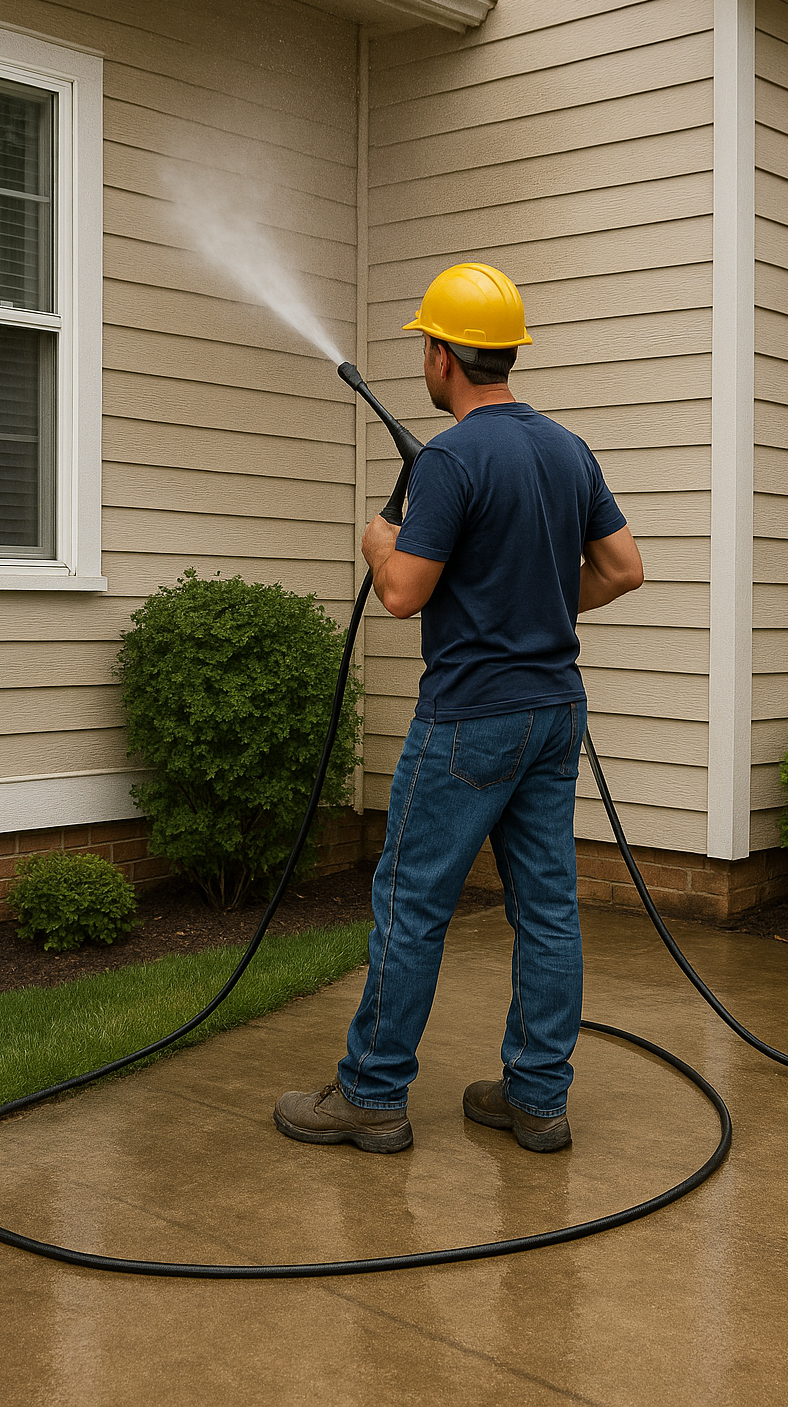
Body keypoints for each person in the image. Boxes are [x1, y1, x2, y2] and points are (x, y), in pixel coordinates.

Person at [274, 263, 643, 1155]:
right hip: (555, 715)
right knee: (548, 908)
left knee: (411, 902)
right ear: (505, 352)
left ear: (442, 356)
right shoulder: (566, 448)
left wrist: (377, 537)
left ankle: (369, 1096)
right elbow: (624, 568)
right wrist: (541, 607)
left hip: (469, 719)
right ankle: (537, 1100)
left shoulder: (449, 458)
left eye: (424, 348)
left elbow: (401, 592)